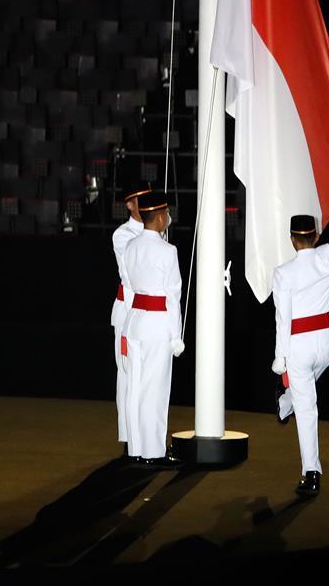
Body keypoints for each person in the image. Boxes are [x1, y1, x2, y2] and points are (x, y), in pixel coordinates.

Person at [272, 168, 329, 498]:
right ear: (315, 235)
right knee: (303, 393)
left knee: (308, 405)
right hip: (326, 343)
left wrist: (279, 358)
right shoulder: (328, 257)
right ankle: (286, 402)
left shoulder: (283, 273)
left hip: (298, 345)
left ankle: (311, 471)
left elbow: (282, 319)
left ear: (292, 239)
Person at [120, 191, 184, 467]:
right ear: (159, 217)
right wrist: (176, 335)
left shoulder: (131, 247)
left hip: (134, 322)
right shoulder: (168, 252)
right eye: (166, 212)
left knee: (134, 389)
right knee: (155, 391)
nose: (168, 217)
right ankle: (154, 452)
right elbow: (173, 296)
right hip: (158, 325)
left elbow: (131, 288)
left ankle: (135, 448)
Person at [111, 182, 152, 452]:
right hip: (128, 312)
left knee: (150, 377)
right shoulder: (123, 234)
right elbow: (133, 273)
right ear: (129, 204)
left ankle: (148, 439)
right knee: (127, 376)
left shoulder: (157, 229)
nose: (147, 204)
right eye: (141, 200)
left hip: (150, 313)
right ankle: (128, 439)